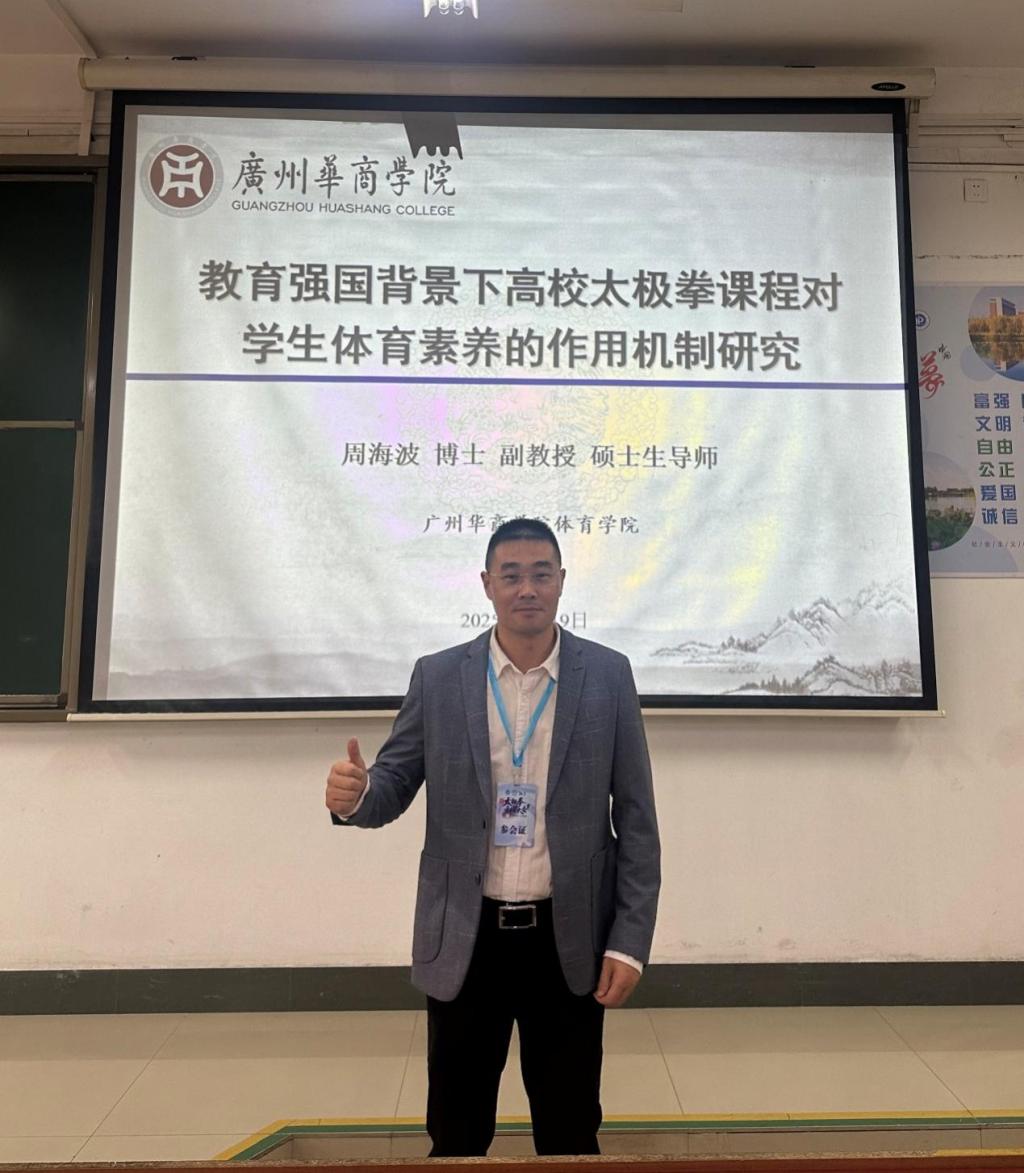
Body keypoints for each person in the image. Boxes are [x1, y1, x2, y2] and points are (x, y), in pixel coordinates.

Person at [325, 517, 659, 1156]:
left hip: (570, 937)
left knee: (569, 1130)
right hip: (466, 935)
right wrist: (359, 795)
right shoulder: (439, 676)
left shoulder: (608, 676)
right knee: (456, 1131)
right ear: (487, 584)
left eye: (541, 574)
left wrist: (629, 942)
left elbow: (638, 820)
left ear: (562, 581)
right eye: (511, 576)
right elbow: (393, 782)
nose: (526, 589)